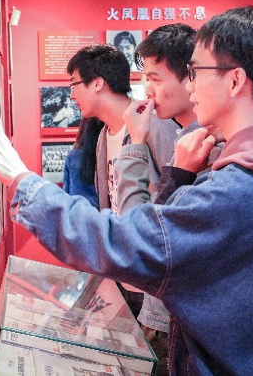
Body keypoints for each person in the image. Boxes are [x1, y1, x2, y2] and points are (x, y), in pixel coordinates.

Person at [0, 6, 253, 374]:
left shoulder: (234, 191)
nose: (190, 85)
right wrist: (179, 177)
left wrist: (22, 182)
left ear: (235, 80)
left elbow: (124, 240)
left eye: (196, 71)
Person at [113, 23, 221, 375]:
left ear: (189, 77)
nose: (148, 89)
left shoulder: (205, 147)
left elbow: (139, 235)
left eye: (156, 79)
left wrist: (136, 143)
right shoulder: (186, 137)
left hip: (179, 318)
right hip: (170, 311)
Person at [67, 44, 178, 315]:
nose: (71, 95)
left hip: (157, 282)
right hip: (125, 277)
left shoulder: (156, 126)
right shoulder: (103, 136)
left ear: (97, 83)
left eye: (74, 84)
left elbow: (177, 196)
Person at [62, 117, 105, 209]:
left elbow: (66, 192)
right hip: (102, 214)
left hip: (77, 212)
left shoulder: (73, 156)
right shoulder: (106, 156)